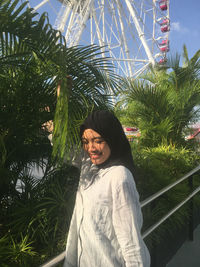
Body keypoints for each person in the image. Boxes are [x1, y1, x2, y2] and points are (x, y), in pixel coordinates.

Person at [63, 110, 150, 267]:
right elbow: (65, 152)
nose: (91, 148)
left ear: (112, 139)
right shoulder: (90, 167)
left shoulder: (119, 177)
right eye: (85, 141)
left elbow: (131, 242)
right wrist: (55, 121)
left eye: (98, 140)